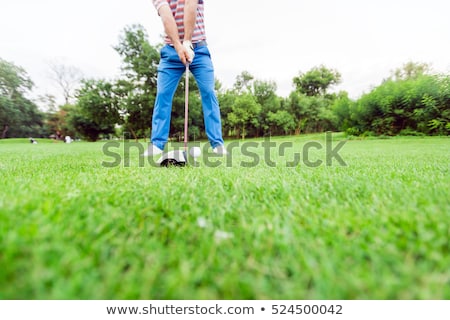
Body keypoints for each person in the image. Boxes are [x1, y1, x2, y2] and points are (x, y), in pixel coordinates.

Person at [143, 0, 227, 156]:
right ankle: (157, 144)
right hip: (170, 51)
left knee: (209, 92)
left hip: (199, 49)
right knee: (163, 94)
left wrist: (187, 41)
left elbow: (190, 4)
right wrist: (178, 46)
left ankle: (217, 144)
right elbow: (166, 15)